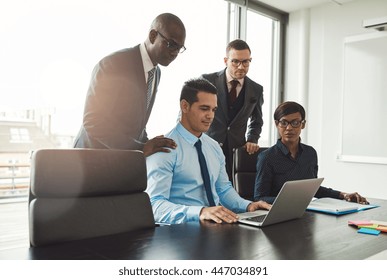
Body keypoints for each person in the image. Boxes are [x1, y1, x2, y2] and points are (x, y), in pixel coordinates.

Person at [146, 78, 271, 224]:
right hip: (181, 231)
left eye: (214, 110)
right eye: (204, 109)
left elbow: (223, 190)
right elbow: (154, 206)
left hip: (215, 228)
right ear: (185, 106)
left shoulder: (213, 147)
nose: (210, 116)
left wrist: (248, 206)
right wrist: (200, 211)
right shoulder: (164, 148)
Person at [73, 13, 186, 156]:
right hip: (91, 161)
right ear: (152, 36)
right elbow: (93, 122)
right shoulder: (113, 65)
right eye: (171, 44)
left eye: (180, 48)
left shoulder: (156, 72)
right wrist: (140, 147)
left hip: (121, 162)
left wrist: (150, 144)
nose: (175, 53)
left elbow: (136, 123)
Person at [253, 101, 369, 205]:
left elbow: (313, 189)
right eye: (284, 122)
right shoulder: (267, 157)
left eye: (295, 122)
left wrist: (343, 195)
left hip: (305, 213)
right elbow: (259, 198)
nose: (288, 128)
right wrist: (294, 200)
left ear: (303, 124)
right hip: (277, 215)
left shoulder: (310, 153)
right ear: (276, 124)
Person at [201, 39, 264, 179]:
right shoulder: (207, 81)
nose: (241, 67)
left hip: (235, 153)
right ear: (226, 61)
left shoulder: (256, 89)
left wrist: (252, 139)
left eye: (246, 62)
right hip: (207, 148)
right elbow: (192, 114)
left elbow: (257, 121)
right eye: (235, 62)